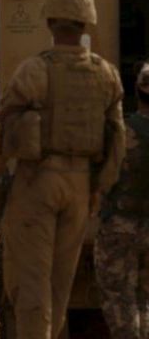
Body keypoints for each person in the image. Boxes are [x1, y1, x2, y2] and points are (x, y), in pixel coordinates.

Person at [0, 0, 126, 339]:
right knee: (60, 284)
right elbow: (117, 140)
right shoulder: (106, 74)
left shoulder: (35, 70)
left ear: (49, 20)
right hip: (80, 186)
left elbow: (3, 129)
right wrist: (98, 189)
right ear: (87, 22)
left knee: (31, 281)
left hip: (38, 181)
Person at [94, 62, 149, 339]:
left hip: (121, 227)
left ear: (139, 89)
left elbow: (104, 178)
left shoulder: (123, 133)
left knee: (119, 299)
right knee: (144, 300)